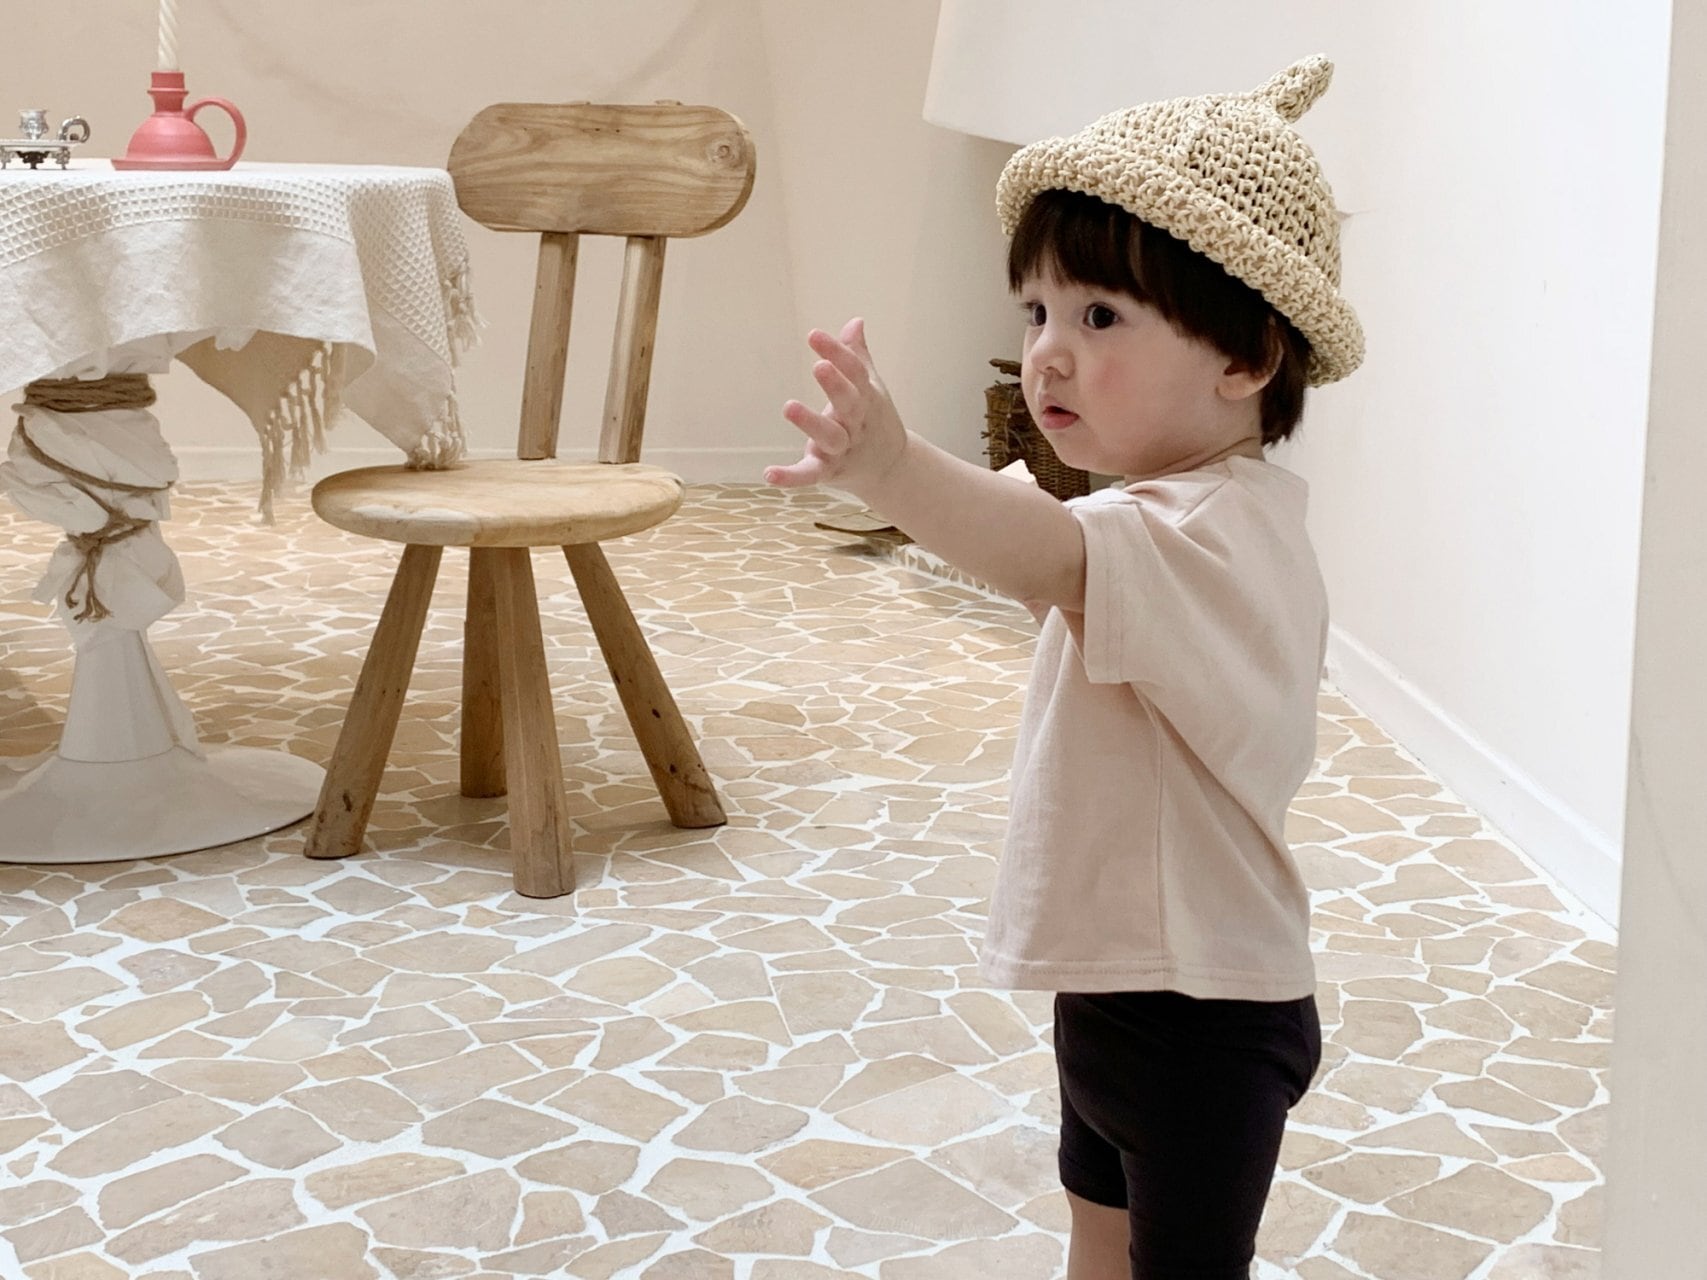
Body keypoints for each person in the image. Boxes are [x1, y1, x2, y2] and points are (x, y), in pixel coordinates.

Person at [765, 55, 1364, 1280]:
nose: (1046, 353)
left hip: (1204, 1014)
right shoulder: (1164, 517)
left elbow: (1039, 548)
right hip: (1120, 985)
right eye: (1035, 310)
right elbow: (1047, 544)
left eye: (1100, 318)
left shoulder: (1209, 532)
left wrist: (891, 465)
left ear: (1248, 355)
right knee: (1098, 1232)